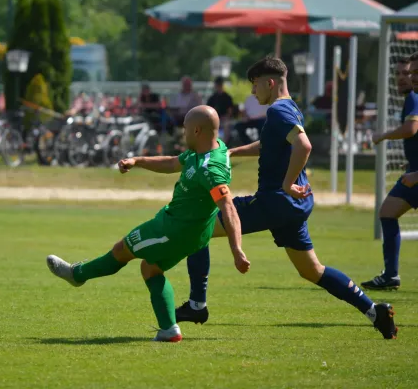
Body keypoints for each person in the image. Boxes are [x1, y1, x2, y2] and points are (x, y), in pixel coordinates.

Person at [174, 56, 398, 339]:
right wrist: (232, 152)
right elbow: (272, 144)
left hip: (275, 201)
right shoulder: (290, 108)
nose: (254, 93)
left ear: (270, 82)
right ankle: (374, 311)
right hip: (294, 206)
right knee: (312, 270)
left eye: (255, 86)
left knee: (196, 226)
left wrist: (288, 182)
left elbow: (304, 146)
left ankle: (197, 305)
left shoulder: (278, 111)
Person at [46, 106, 250, 342]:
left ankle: (77, 274)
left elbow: (229, 207)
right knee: (150, 268)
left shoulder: (210, 168)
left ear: (196, 130)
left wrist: (237, 250)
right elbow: (173, 163)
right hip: (190, 232)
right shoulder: (212, 149)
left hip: (172, 230)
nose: (182, 134)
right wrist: (138, 161)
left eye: (185, 129)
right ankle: (169, 330)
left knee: (121, 251)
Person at [361, 54, 418, 290]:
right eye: (401, 74)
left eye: (410, 73)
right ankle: (391, 275)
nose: (405, 79)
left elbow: (411, 128)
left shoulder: (414, 98)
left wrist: (383, 135)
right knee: (387, 212)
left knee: (387, 212)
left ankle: (391, 274)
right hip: (413, 172)